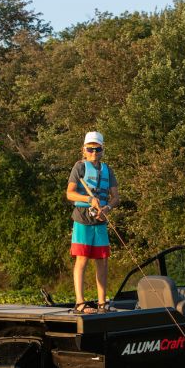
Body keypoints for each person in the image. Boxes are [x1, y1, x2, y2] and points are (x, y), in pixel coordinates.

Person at [65, 131, 120, 313]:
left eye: (97, 149)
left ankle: (102, 302)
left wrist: (107, 209)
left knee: (102, 260)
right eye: (90, 149)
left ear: (102, 150)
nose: (94, 153)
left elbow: (115, 198)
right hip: (82, 217)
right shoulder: (79, 168)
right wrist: (89, 200)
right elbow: (70, 193)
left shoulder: (107, 170)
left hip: (100, 218)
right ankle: (80, 303)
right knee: (82, 259)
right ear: (84, 150)